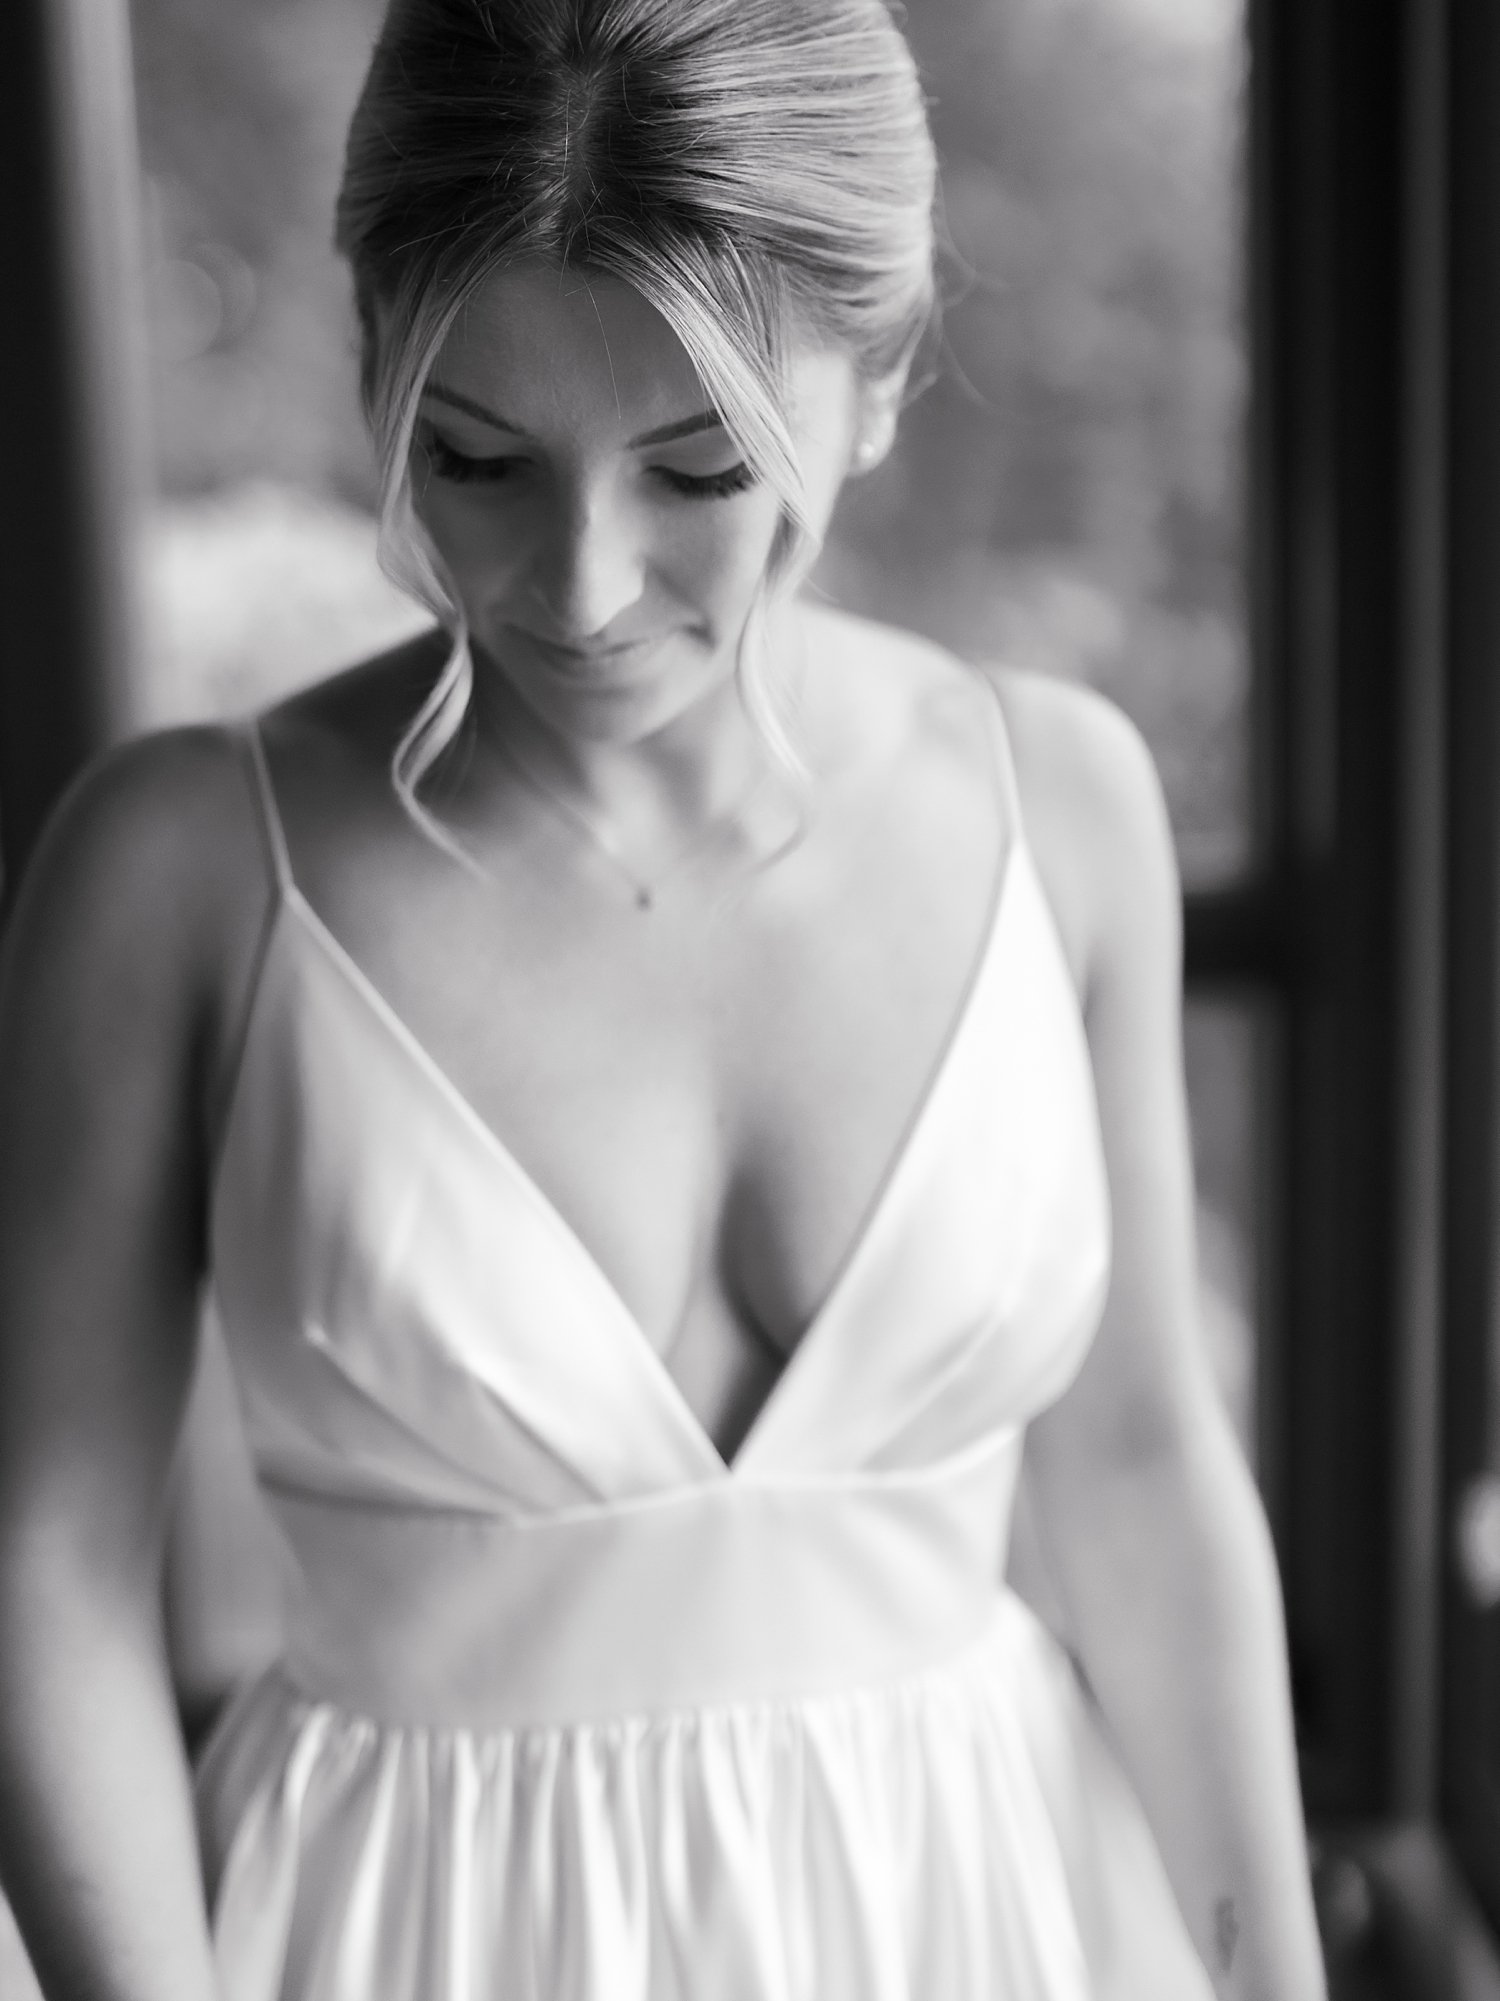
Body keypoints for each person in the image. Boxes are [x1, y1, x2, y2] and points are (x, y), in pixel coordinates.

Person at [0, 1, 1327, 1996]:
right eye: (476, 456)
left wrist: (1272, 1970)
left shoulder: (1069, 803)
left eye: (701, 465)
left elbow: (1140, 1464)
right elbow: (46, 1565)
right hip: (406, 1935)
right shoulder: (180, 868)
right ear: (375, 368)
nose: (586, 583)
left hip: (988, 1908)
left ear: (872, 388)